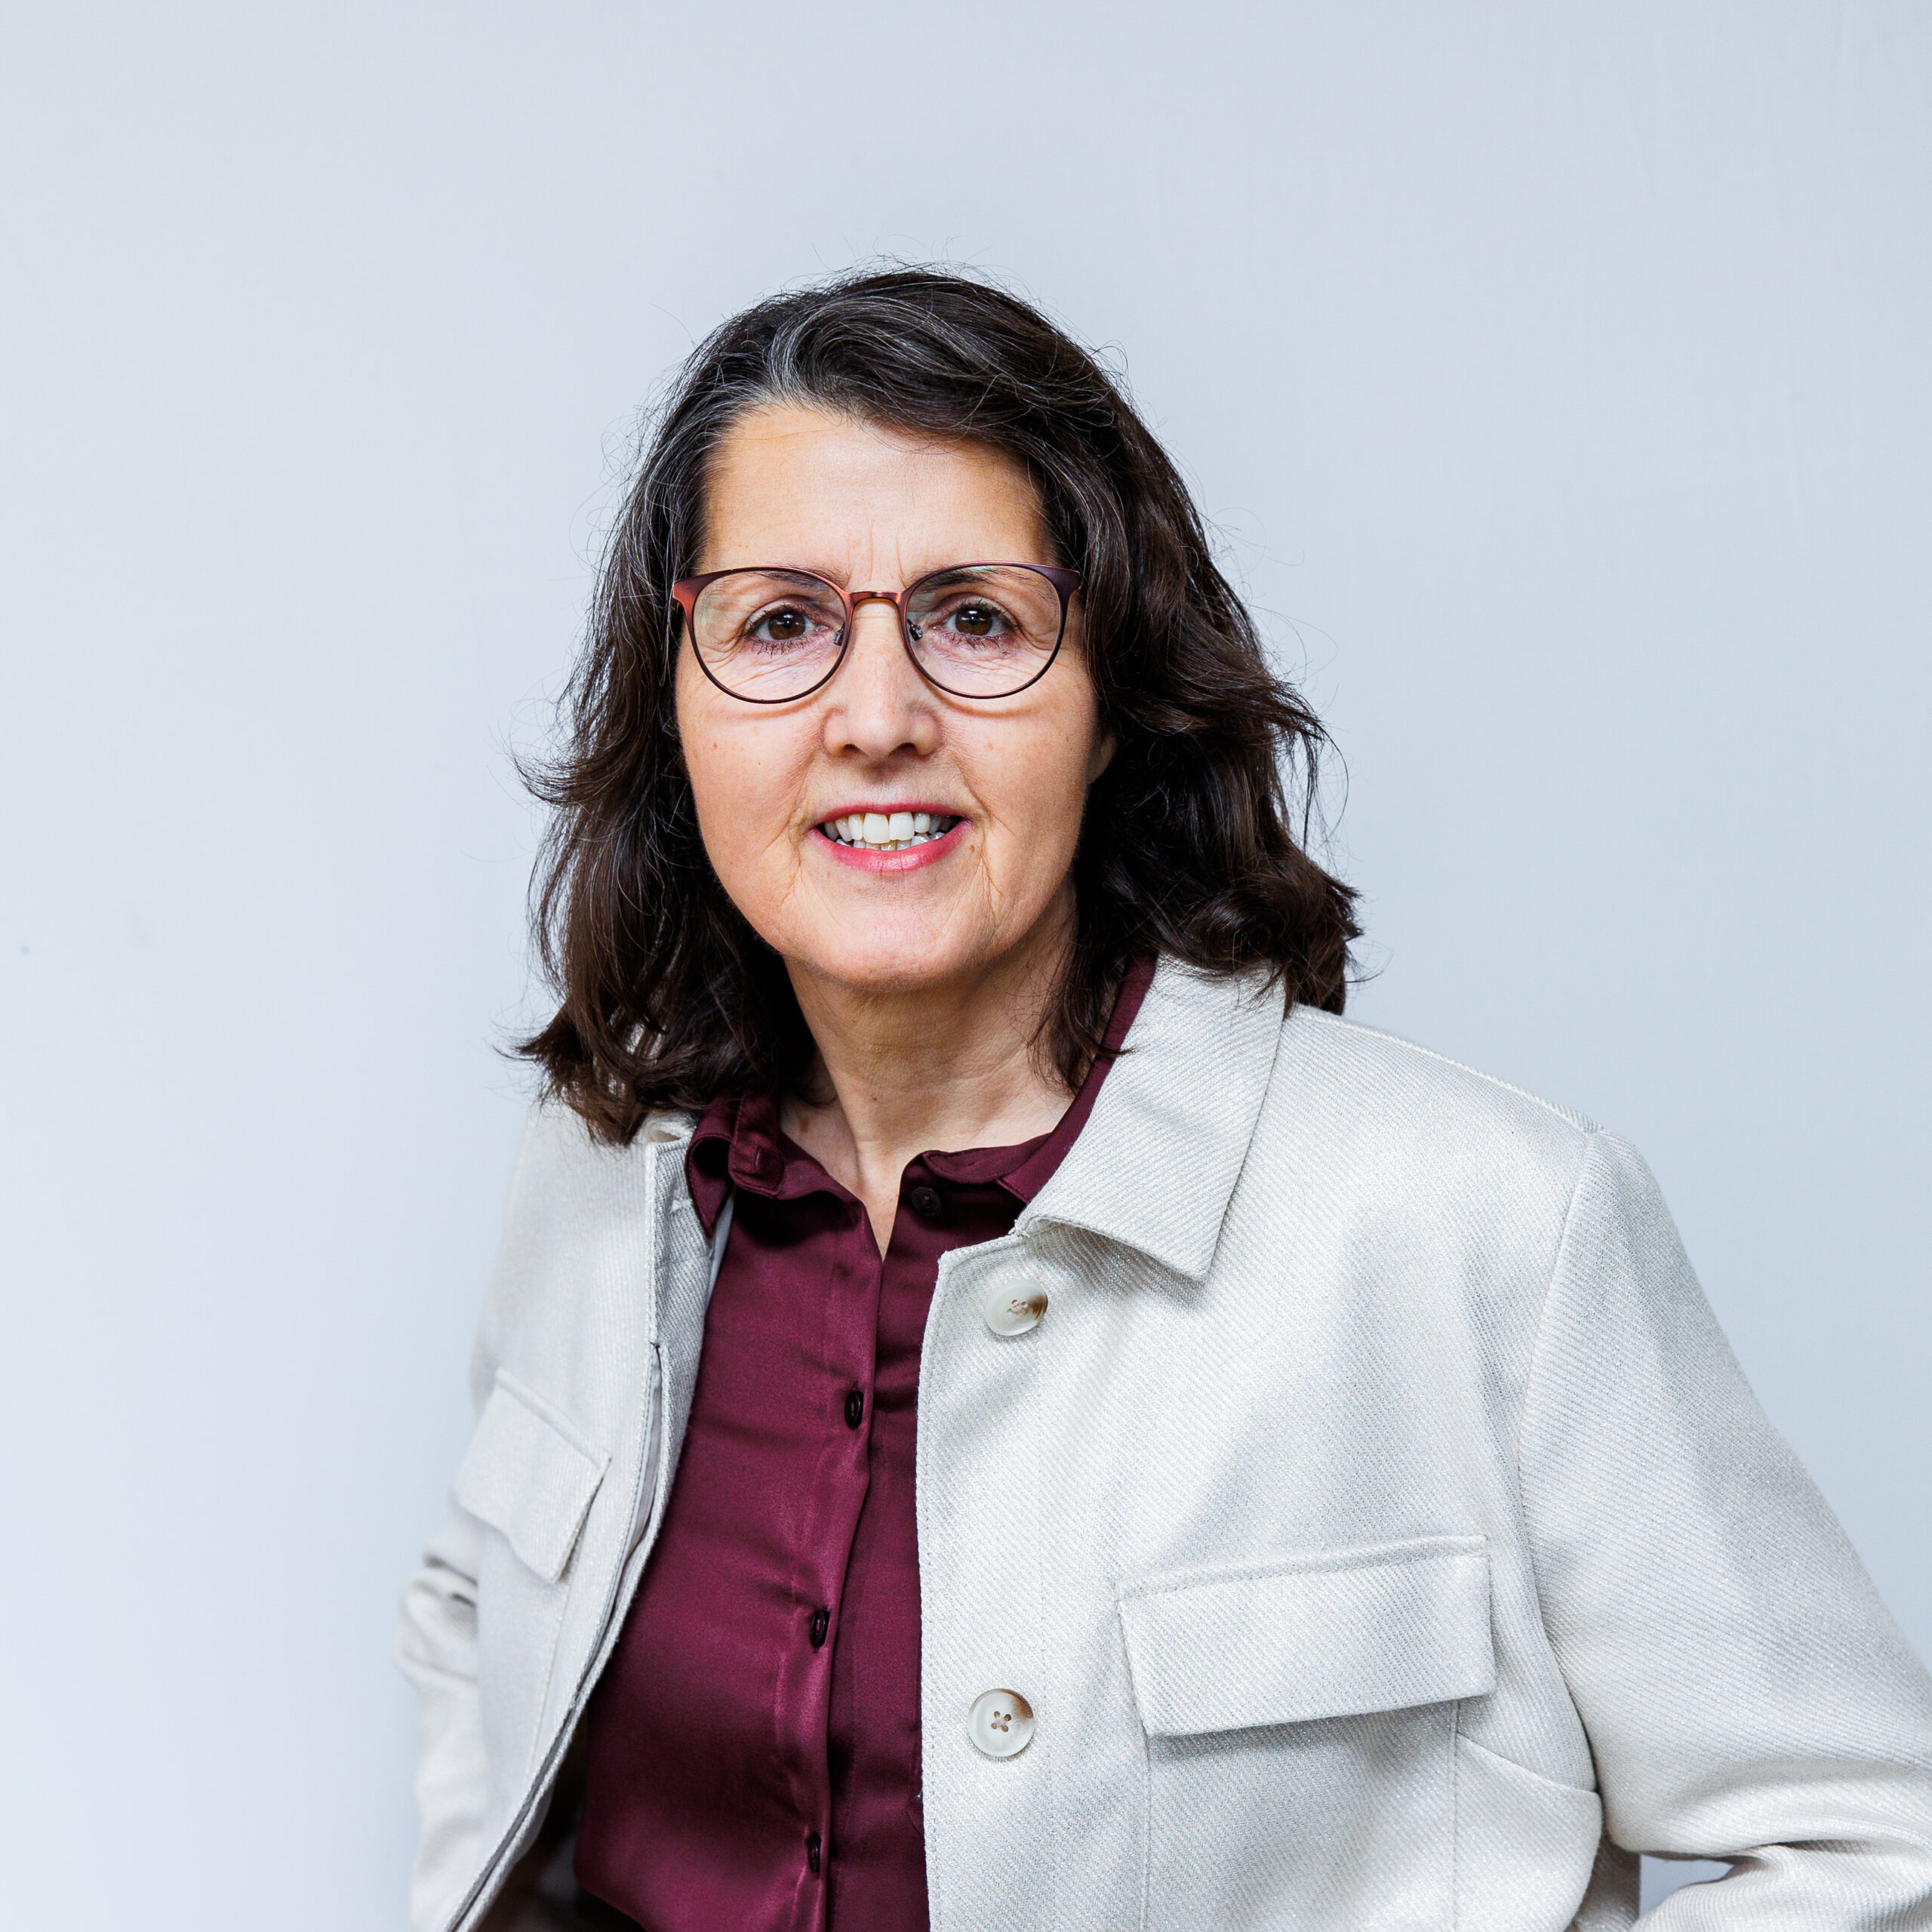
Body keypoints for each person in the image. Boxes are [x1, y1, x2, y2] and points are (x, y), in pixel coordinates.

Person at [397, 269, 1932, 1932]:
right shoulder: (601, 1172)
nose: (877, 718)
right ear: (677, 696)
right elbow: (480, 1632)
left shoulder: (1489, 1226)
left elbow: (1871, 1846)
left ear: (1113, 700)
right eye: (780, 624)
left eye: (976, 619)